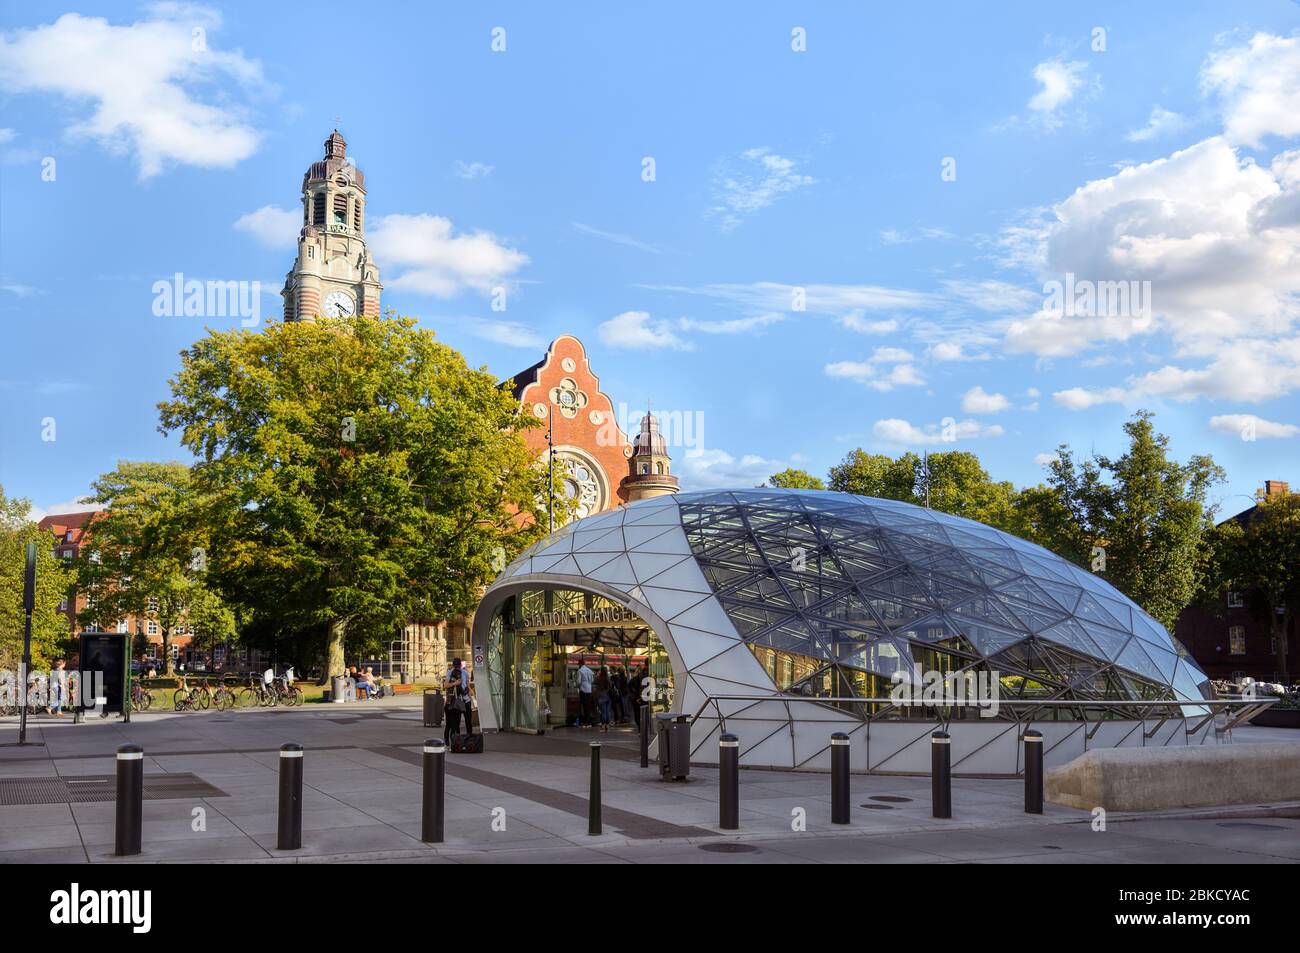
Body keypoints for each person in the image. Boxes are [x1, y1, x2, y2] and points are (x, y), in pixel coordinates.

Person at [443, 658, 471, 742]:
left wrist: (470, 696)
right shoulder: (450, 672)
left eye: (458, 666)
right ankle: (454, 740)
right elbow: (445, 686)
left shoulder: (465, 673)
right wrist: (455, 683)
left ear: (460, 665)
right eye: (455, 666)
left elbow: (467, 685)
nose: (457, 668)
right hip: (455, 700)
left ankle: (469, 739)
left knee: (468, 721)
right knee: (454, 723)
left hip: (465, 700)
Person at [575, 658, 595, 728]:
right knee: (588, 706)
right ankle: (589, 722)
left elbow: (578, 682)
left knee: (583, 706)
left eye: (579, 664)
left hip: (583, 690)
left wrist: (576, 686)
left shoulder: (580, 671)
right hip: (589, 690)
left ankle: (585, 722)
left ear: (580, 664)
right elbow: (592, 680)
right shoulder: (589, 670)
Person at [595, 664, 613, 732]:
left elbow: (594, 683)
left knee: (603, 712)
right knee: (607, 712)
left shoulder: (598, 678)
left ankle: (603, 726)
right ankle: (607, 726)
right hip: (608, 696)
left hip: (601, 696)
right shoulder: (608, 678)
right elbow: (610, 686)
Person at [628, 665, 645, 729]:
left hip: (635, 699)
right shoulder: (644, 678)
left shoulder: (633, 679)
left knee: (637, 713)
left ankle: (640, 726)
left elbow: (629, 688)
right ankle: (642, 726)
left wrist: (635, 697)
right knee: (643, 713)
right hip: (643, 698)